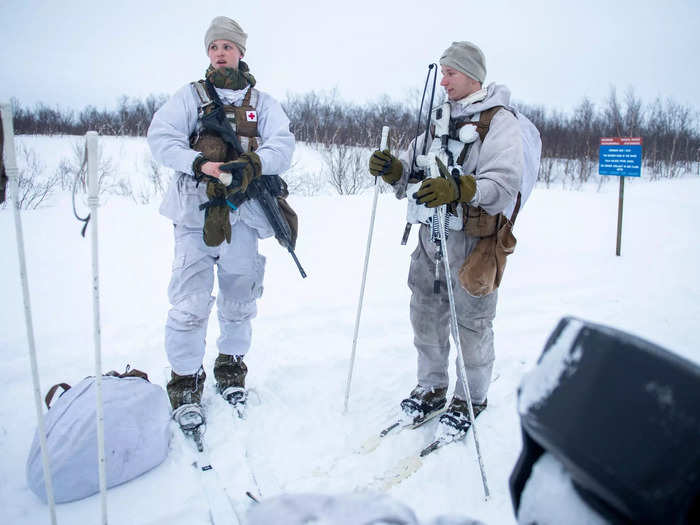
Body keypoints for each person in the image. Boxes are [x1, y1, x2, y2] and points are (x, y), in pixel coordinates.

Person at [368, 41, 523, 439]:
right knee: (425, 314)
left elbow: (504, 183)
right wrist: (393, 171)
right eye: (441, 71)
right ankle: (432, 385)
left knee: (471, 322)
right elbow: (412, 180)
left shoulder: (498, 122)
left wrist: (460, 188)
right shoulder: (438, 120)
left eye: (450, 72)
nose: (443, 79)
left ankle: (471, 397)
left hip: (471, 242)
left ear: (473, 74)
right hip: (429, 239)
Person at [147, 16, 295, 428]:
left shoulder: (262, 103)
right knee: (190, 302)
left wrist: (254, 162)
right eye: (214, 47)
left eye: (227, 46)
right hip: (196, 210)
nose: (220, 53)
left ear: (240, 52)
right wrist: (199, 164)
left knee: (239, 298)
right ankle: (184, 382)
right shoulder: (189, 97)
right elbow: (162, 138)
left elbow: (282, 145)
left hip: (244, 212)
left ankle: (230, 371)